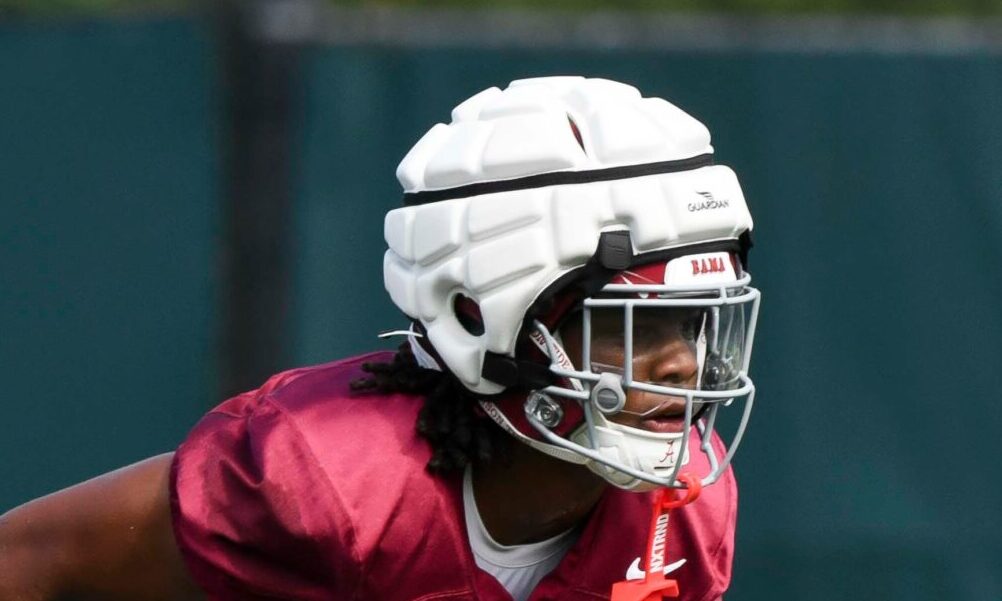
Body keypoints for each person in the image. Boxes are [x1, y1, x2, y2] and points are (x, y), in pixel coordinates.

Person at [0, 76, 760, 601]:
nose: (683, 363)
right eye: (632, 324)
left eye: (693, 321)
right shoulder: (325, 486)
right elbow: (30, 564)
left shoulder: (685, 506)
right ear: (480, 316)